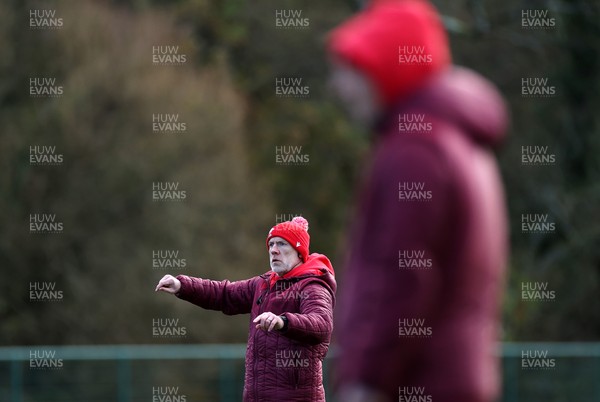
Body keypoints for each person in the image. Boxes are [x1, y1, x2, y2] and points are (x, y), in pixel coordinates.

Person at [327, 1, 509, 401]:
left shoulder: (414, 151)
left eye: (356, 71)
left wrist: (366, 382)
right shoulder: (459, 141)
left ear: (390, 70)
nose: (340, 88)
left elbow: (401, 278)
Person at [155, 216, 336, 402]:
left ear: (299, 252)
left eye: (282, 244)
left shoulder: (313, 285)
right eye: (271, 244)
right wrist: (182, 286)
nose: (273, 250)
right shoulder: (264, 283)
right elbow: (225, 294)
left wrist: (283, 321)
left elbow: (321, 325)